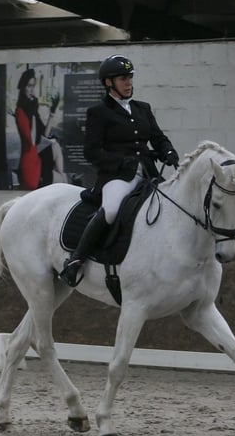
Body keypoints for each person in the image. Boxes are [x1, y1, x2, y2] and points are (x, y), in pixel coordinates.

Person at [60, 54, 179, 287]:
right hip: (118, 177)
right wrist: (119, 162)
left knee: (171, 205)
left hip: (148, 173)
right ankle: (75, 261)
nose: (129, 83)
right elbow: (92, 152)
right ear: (108, 83)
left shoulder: (142, 108)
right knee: (112, 210)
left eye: (130, 77)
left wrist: (168, 150)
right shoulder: (98, 112)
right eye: (123, 78)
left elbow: (158, 137)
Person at [14, 68, 67, 190]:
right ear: (22, 87)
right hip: (31, 163)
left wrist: (52, 113)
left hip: (39, 155)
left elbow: (44, 135)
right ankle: (66, 189)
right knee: (61, 180)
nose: (32, 89)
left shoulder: (31, 106)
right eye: (29, 86)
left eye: (33, 85)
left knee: (55, 146)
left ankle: (64, 185)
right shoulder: (20, 111)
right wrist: (32, 113)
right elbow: (32, 141)